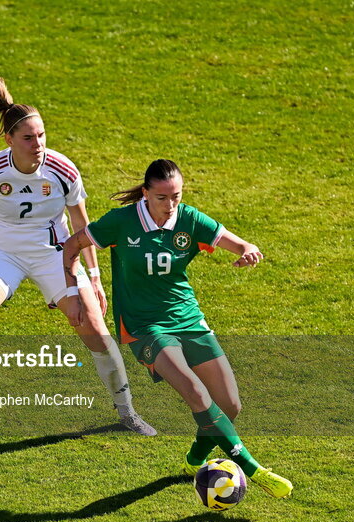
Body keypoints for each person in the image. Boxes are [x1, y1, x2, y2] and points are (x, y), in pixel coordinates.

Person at [0, 51, 155, 453]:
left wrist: (95, 279)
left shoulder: (63, 170)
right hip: (4, 251)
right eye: (29, 137)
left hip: (56, 254)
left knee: (95, 329)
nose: (38, 144)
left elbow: (84, 228)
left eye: (42, 135)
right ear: (9, 139)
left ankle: (127, 413)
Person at [60, 159, 293, 498]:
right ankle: (253, 468)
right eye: (162, 197)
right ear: (145, 193)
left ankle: (195, 459)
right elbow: (71, 246)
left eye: (176, 197)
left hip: (186, 317)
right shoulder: (121, 222)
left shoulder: (189, 219)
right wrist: (78, 288)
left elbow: (233, 240)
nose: (170, 206)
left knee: (229, 406)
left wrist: (248, 250)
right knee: (195, 393)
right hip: (143, 325)